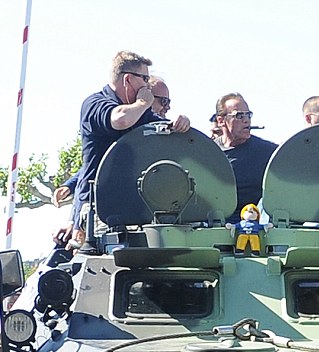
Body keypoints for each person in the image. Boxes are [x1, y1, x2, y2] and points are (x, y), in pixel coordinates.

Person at [74, 51, 190, 236]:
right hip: (100, 210)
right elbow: (120, 119)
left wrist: (179, 124)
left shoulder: (141, 113)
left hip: (135, 207)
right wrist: (143, 102)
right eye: (144, 78)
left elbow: (162, 130)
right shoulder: (95, 104)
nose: (147, 84)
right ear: (127, 79)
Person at [213, 93, 277, 222]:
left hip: (254, 227)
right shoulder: (208, 152)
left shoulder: (268, 152)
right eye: (239, 116)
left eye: (248, 115)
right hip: (214, 225)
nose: (246, 120)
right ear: (221, 120)